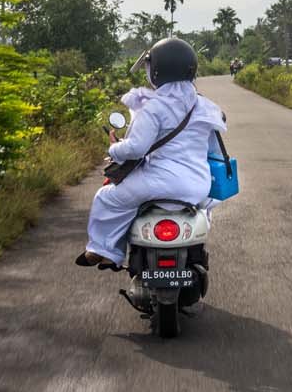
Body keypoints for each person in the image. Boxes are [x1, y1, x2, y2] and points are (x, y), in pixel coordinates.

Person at [77, 37, 227, 268]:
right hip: (197, 186)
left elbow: (136, 148)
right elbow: (213, 151)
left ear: (155, 71)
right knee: (206, 210)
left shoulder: (153, 107)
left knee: (106, 198)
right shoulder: (206, 107)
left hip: (155, 184)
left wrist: (114, 148)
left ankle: (102, 250)